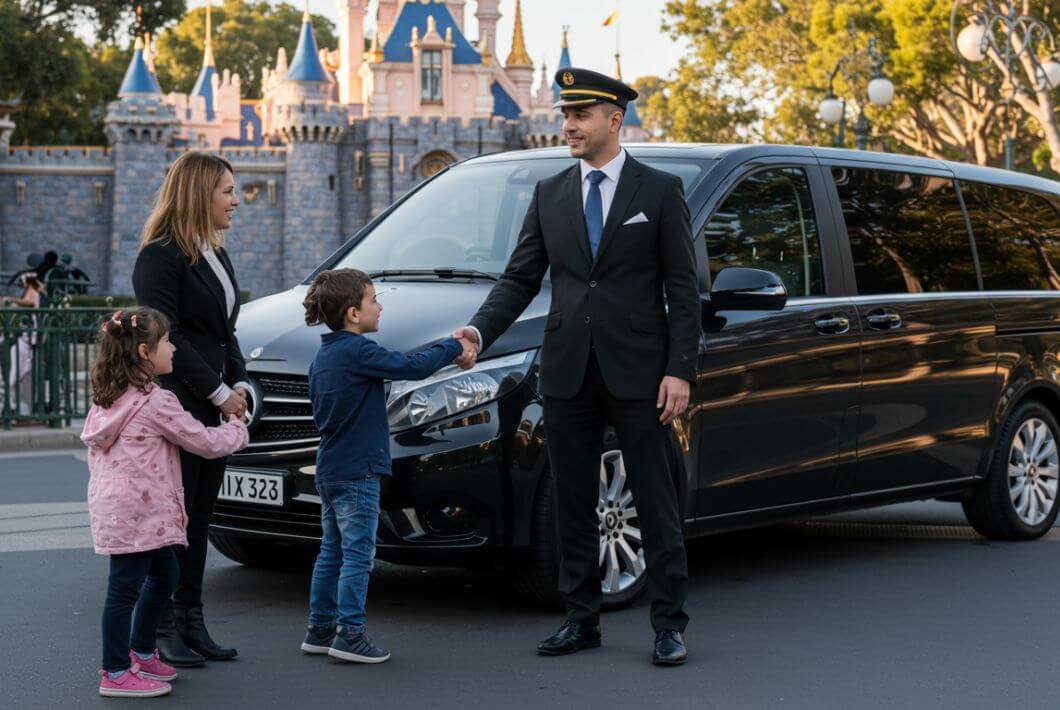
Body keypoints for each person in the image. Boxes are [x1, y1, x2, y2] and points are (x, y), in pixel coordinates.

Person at [454, 68, 700, 665]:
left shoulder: (660, 191)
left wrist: (680, 369)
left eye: (581, 115)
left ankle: (668, 625)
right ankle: (581, 619)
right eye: (565, 115)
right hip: (566, 373)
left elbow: (684, 289)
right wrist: (480, 329)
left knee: (656, 501)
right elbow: (520, 278)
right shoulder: (551, 193)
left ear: (615, 120)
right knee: (571, 501)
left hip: (642, 375)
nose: (567, 125)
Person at [298, 268, 474, 663]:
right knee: (359, 554)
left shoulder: (323, 357)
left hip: (329, 468)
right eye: (373, 299)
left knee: (332, 550)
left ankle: (320, 628)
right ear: (353, 314)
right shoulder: (359, 352)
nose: (380, 305)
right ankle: (351, 635)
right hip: (359, 470)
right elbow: (410, 367)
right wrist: (451, 345)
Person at [81, 307, 248, 698]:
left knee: (165, 575)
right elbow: (202, 441)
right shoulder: (157, 402)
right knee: (123, 591)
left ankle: (141, 650)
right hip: (139, 513)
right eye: (167, 341)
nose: (173, 348)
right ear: (144, 352)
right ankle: (116, 671)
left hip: (126, 510)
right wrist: (238, 430)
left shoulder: (110, 398)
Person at [131, 152, 250, 667]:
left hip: (213, 406)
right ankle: (159, 628)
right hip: (180, 408)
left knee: (198, 518)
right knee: (171, 521)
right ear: (200, 194)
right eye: (227, 190)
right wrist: (220, 394)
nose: (236, 200)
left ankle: (191, 620)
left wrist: (240, 380)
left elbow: (224, 333)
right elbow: (170, 336)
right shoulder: (160, 256)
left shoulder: (215, 253)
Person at [5, 273, 46, 416]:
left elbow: (30, 304)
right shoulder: (31, 291)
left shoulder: (32, 292)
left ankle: (15, 407)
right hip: (24, 337)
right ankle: (14, 406)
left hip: (28, 336)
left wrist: (11, 299)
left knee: (19, 374)